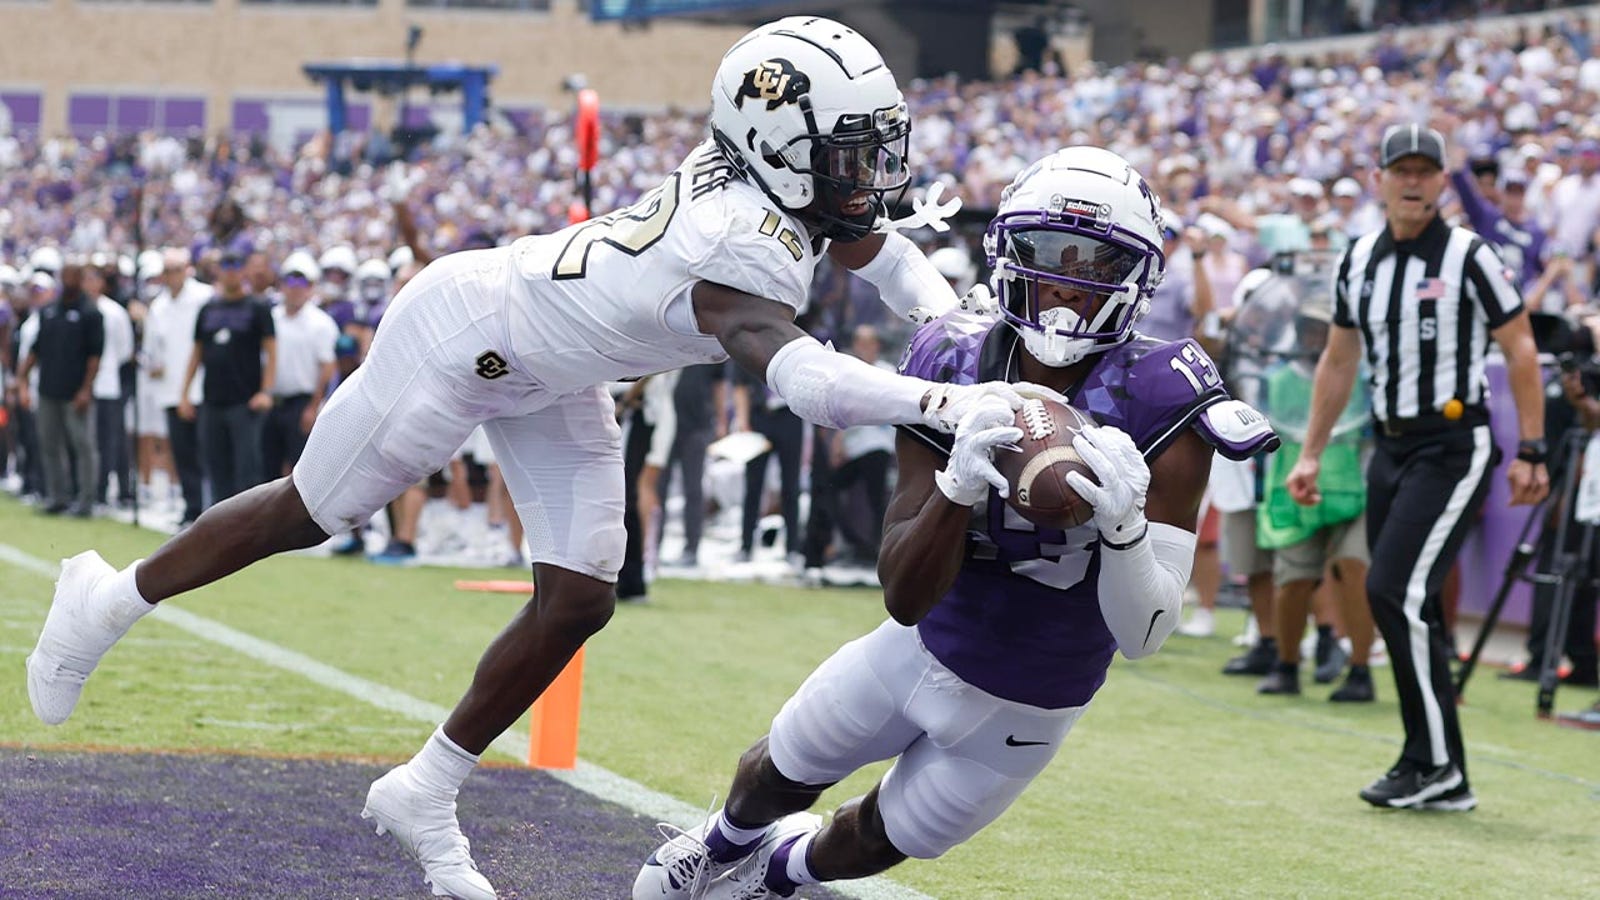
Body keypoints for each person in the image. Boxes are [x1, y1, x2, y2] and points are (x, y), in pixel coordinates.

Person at [25, 18, 1044, 899]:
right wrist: (946, 398)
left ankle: (424, 787)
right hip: (465, 336)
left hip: (553, 371)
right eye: (852, 152)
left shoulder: (785, 195)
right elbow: (804, 380)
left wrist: (953, 313)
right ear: (778, 147)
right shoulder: (737, 234)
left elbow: (883, 254)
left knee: (580, 595)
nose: (871, 175)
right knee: (312, 511)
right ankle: (107, 600)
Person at [632, 146, 1278, 900]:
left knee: (877, 841)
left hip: (1037, 694)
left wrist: (1126, 528)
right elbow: (903, 594)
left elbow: (1145, 635)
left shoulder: (1166, 393)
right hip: (919, 644)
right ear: (1006, 251)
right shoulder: (953, 358)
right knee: (782, 766)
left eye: (1093, 263)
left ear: (1137, 276)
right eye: (1044, 253)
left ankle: (775, 874)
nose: (1065, 283)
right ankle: (720, 845)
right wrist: (958, 484)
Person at [1287, 123, 1549, 813]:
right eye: (1399, 169)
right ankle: (1442, 770)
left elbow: (1520, 348)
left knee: (1393, 590)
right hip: (1390, 445)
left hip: (1453, 443)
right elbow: (1339, 358)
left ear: (1441, 181)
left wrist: (1532, 448)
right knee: (1414, 601)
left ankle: (1430, 762)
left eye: (1424, 171)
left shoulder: (1469, 254)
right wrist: (1311, 450)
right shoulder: (1359, 259)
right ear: (1378, 179)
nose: (1412, 182)